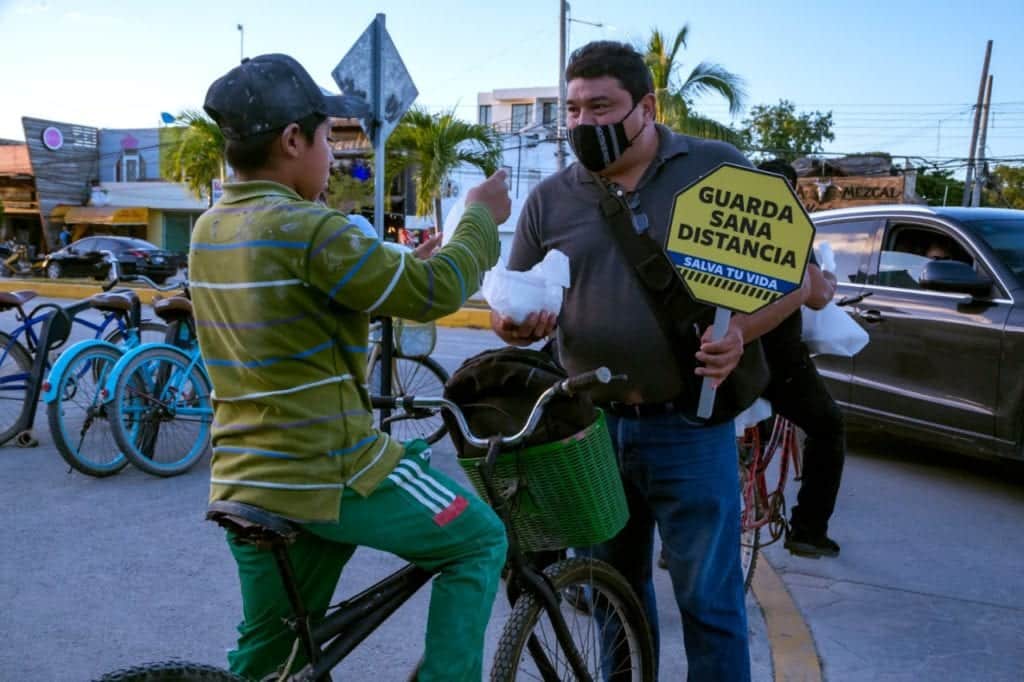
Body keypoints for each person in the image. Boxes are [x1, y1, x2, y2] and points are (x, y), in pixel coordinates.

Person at [491, 41, 808, 680]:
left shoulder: (718, 168)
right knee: (613, 596)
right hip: (591, 432)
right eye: (574, 110)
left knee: (709, 602)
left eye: (601, 107)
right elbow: (509, 304)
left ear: (646, 106)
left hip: (691, 427)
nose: (585, 124)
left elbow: (794, 280)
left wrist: (740, 333)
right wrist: (515, 325)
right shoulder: (550, 199)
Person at [192, 53, 510, 682]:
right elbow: (434, 293)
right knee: (480, 540)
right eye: (325, 139)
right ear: (291, 141)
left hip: (246, 478)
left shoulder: (210, 228)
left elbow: (298, 306)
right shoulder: (310, 226)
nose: (334, 157)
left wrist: (397, 264)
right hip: (331, 471)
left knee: (271, 659)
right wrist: (477, 216)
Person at [755, 158, 847, 558]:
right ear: (790, 190)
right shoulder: (787, 228)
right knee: (828, 428)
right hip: (778, 361)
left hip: (726, 355)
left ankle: (677, 546)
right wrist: (828, 278)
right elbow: (818, 295)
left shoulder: (722, 223)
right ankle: (808, 530)